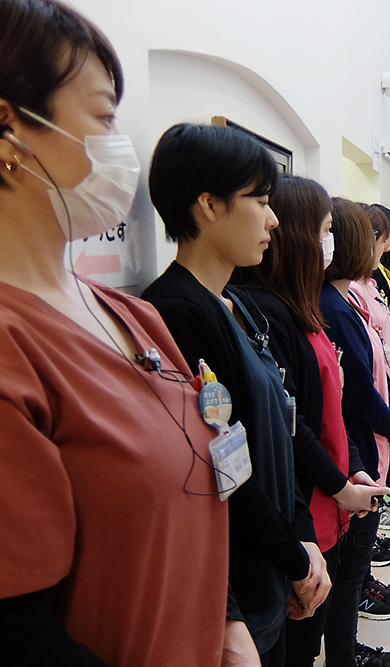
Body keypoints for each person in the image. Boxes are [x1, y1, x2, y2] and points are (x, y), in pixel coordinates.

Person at [0, 2, 230, 664]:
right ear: (9, 129)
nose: (118, 143)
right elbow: (20, 635)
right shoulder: (14, 347)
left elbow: (200, 477)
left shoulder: (132, 314)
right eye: (103, 117)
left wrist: (227, 621)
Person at [143, 123, 331, 665]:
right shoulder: (177, 312)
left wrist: (302, 537)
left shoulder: (236, 303)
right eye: (262, 202)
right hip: (239, 579)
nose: (273, 220)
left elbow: (281, 428)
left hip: (273, 561)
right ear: (209, 205)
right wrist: (294, 558)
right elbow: (222, 466)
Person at [233, 175, 390, 667]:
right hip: (309, 507)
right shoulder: (267, 311)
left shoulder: (301, 308)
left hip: (329, 499)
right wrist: (341, 486)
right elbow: (290, 428)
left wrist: (352, 470)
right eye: (325, 230)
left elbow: (330, 407)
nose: (331, 242)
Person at [320, 196, 390, 667]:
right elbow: (356, 389)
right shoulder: (335, 307)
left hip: (367, 446)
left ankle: (345, 649)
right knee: (349, 568)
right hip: (357, 448)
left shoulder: (347, 300)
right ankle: (344, 655)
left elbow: (376, 366)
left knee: (352, 564)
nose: (388, 243)